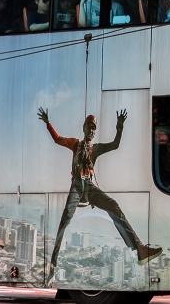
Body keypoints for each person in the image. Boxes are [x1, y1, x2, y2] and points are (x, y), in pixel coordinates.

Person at [39, 108, 162, 276]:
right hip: (76, 185)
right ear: (84, 128)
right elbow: (57, 139)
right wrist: (48, 123)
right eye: (89, 127)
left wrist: (119, 127)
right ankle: (53, 264)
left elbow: (115, 144)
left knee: (114, 206)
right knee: (65, 218)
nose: (91, 130)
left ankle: (139, 249)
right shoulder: (75, 144)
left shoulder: (95, 149)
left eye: (94, 128)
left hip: (89, 186)